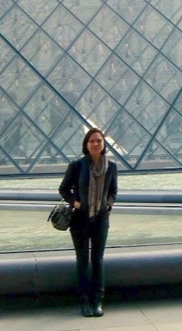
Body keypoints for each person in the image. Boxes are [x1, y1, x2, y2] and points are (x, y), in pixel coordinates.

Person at [58, 127, 118, 317]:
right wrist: (74, 201)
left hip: (100, 219)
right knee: (83, 261)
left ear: (103, 144)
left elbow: (113, 192)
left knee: (98, 261)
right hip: (79, 220)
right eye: (92, 141)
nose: (95, 143)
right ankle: (84, 301)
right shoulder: (77, 165)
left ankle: (98, 300)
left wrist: (108, 205)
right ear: (86, 144)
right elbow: (63, 189)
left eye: (98, 141)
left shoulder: (112, 167)